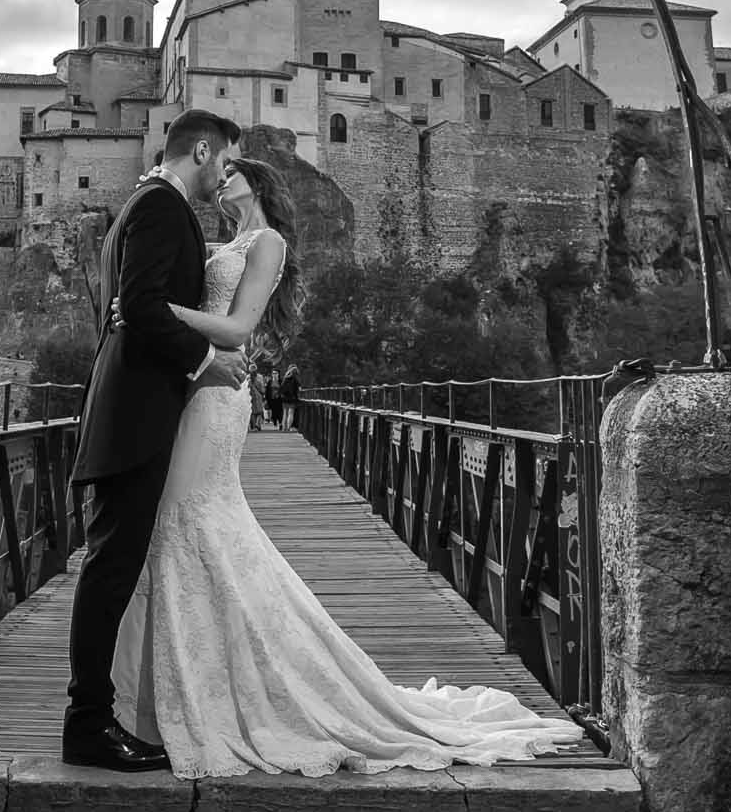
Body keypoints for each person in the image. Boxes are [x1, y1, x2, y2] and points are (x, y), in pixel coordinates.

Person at [110, 157, 585, 779]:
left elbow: (239, 326)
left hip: (219, 395)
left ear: (258, 182)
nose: (221, 178)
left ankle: (210, 685)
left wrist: (157, 312)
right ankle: (175, 683)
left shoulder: (268, 242)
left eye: (233, 171)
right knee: (186, 525)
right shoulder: (223, 244)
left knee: (189, 521)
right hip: (196, 390)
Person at [63, 110, 250, 773]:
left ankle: (95, 718)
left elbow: (127, 309)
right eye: (222, 160)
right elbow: (140, 309)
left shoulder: (139, 206)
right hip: (135, 412)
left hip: (130, 407)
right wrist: (207, 362)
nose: (223, 175)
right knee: (111, 568)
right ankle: (88, 724)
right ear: (199, 150)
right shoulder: (162, 208)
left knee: (111, 565)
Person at [279, 363, 301, 432]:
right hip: (292, 398)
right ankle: (288, 427)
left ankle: (284, 428)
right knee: (291, 413)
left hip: (285, 397)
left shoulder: (285, 378)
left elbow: (281, 388)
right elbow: (299, 389)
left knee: (285, 413)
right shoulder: (296, 379)